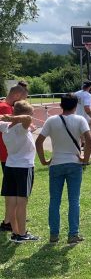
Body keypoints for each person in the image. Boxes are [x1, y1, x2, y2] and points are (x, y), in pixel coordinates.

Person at [35, 93, 91, 244]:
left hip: (56, 163)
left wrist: (43, 160)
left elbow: (38, 142)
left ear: (61, 105)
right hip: (74, 163)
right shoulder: (80, 119)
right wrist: (85, 159)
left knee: (55, 200)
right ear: (75, 106)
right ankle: (73, 234)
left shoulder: (51, 120)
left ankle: (54, 234)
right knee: (74, 200)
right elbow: (89, 140)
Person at [0, 101, 38, 242]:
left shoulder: (5, 126)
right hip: (24, 167)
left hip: (10, 166)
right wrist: (13, 117)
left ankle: (16, 233)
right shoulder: (21, 126)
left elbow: (25, 122)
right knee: (21, 202)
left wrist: (9, 118)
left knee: (12, 202)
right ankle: (22, 234)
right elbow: (27, 120)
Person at [0, 85, 28, 232]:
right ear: (17, 95)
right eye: (24, 98)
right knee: (13, 191)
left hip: (8, 153)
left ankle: (11, 219)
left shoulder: (3, 105)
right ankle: (9, 220)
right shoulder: (5, 108)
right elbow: (14, 126)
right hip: (9, 154)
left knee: (11, 190)